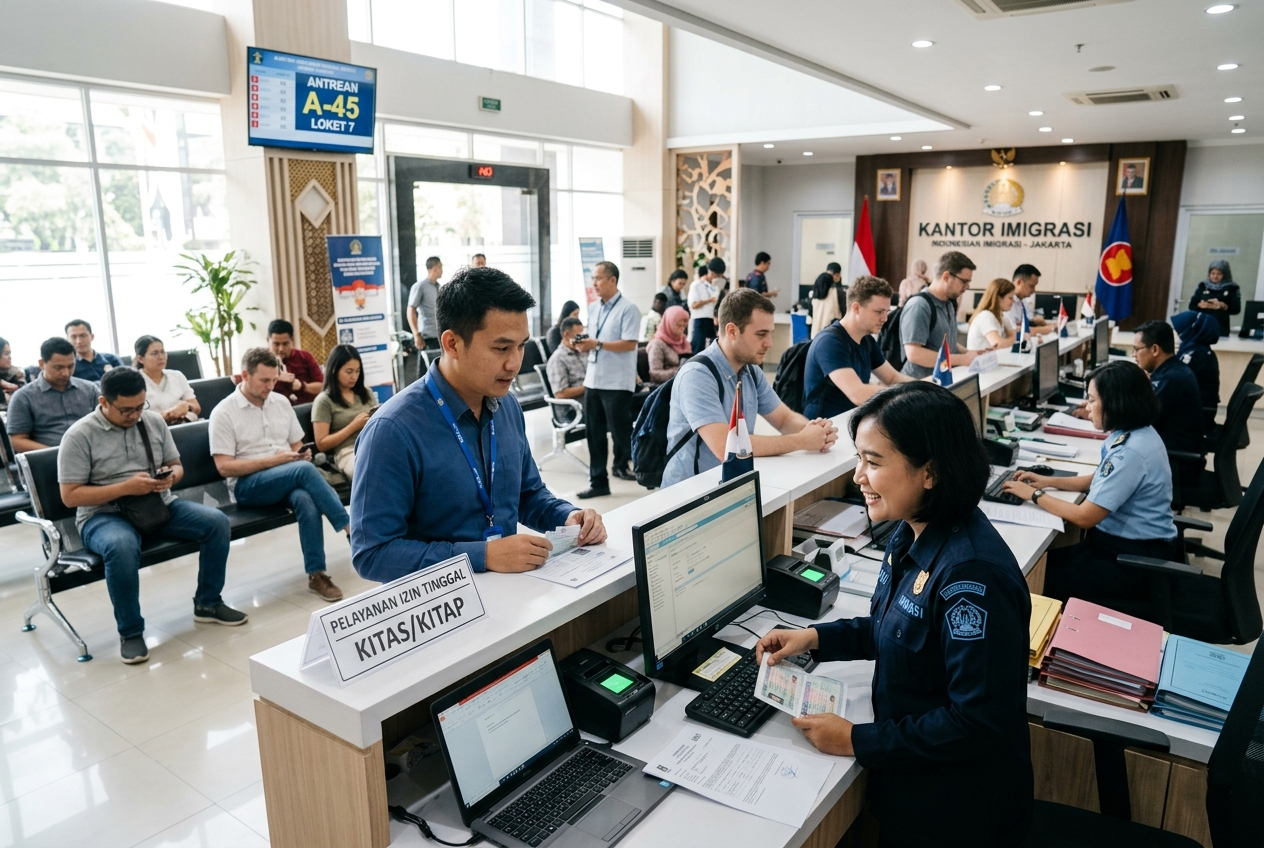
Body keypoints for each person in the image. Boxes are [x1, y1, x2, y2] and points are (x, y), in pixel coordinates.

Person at [758, 382, 1032, 847]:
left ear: (930, 471)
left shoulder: (973, 577)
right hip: (915, 787)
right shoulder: (913, 531)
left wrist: (856, 740)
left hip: (957, 813)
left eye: (874, 462)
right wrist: (817, 639)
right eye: (859, 459)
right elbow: (903, 627)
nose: (858, 477)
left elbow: (976, 723)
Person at [350, 265, 605, 580]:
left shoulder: (507, 406)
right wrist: (480, 556)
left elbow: (527, 494)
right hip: (441, 611)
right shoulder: (393, 431)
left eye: (521, 345)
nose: (514, 363)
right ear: (452, 344)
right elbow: (373, 555)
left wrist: (568, 517)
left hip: (511, 598)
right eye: (501, 348)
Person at [59, 368, 245, 664]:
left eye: (140, 407)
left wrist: (170, 478)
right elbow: (70, 496)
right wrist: (126, 487)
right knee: (120, 547)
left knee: (216, 523)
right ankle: (131, 632)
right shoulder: (79, 435)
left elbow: (176, 464)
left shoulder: (153, 421)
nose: (135, 415)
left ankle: (208, 603)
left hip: (158, 503)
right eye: (126, 410)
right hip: (103, 515)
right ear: (103, 402)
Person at [1003, 361, 1177, 608]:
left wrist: (1034, 494)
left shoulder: (1131, 452)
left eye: (1093, 400)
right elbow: (1100, 478)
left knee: (1033, 577)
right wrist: (1048, 481)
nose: (1087, 406)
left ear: (1115, 403)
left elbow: (1085, 517)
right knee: (1044, 562)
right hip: (1121, 548)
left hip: (1133, 562)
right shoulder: (1136, 432)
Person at [210, 347, 350, 602]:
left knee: (306, 500)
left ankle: (316, 574)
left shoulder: (281, 402)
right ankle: (350, 527)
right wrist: (277, 461)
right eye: (265, 380)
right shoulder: (224, 412)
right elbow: (224, 467)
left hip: (288, 476)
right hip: (247, 487)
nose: (271, 386)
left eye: (274, 379)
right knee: (304, 471)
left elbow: (297, 445)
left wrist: (301, 454)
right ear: (244, 376)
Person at [662, 289, 838, 489]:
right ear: (732, 331)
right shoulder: (697, 375)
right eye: (761, 334)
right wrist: (801, 441)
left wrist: (816, 432)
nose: (769, 343)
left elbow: (784, 418)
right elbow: (726, 447)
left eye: (769, 333)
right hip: (688, 494)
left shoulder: (751, 371)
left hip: (729, 486)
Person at [575, 261, 642, 498]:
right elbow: (595, 339)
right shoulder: (593, 309)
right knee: (594, 435)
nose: (594, 283)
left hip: (616, 383)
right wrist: (585, 344)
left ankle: (649, 469)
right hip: (593, 380)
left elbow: (630, 343)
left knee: (621, 434)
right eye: (593, 279)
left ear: (612, 280)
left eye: (598, 278)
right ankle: (598, 482)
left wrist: (598, 344)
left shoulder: (628, 309)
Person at [803, 276, 911, 419]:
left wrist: (927, 387)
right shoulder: (829, 342)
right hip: (826, 431)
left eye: (886, 311)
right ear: (856, 308)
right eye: (879, 312)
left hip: (851, 422)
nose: (885, 318)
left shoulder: (867, 341)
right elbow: (857, 394)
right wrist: (906, 393)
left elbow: (892, 377)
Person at [1131, 320, 1205, 485]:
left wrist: (1101, 410)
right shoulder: (1171, 371)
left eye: (1137, 349)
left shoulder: (1171, 379)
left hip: (1176, 463)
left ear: (1155, 349)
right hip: (1169, 452)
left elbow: (1139, 417)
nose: (1133, 355)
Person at [7, 337, 98, 452]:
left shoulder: (90, 390)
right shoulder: (23, 397)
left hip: (92, 453)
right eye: (58, 367)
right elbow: (17, 441)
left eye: (71, 366)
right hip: (49, 460)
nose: (65, 373)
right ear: (42, 364)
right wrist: (60, 453)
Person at [899, 251, 982, 377]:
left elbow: (945, 341)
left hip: (940, 382)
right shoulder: (919, 305)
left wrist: (971, 354)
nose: (967, 287)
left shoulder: (948, 303)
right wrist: (961, 359)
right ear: (946, 277)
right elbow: (914, 354)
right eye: (964, 281)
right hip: (919, 385)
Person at [312, 344, 379, 482]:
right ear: (334, 370)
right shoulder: (324, 400)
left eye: (357, 371)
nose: (354, 376)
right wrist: (353, 426)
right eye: (349, 372)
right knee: (368, 474)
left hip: (373, 444)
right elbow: (322, 443)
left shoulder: (365, 393)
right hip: (347, 452)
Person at [1170, 310, 1221, 433]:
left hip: (1196, 417)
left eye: (1178, 331)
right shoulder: (1196, 350)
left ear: (1189, 331)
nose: (1176, 335)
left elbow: (1175, 383)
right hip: (1197, 410)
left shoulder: (1197, 355)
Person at [134, 335, 200, 424]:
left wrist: (187, 406)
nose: (161, 357)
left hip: (185, 424)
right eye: (154, 353)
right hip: (154, 428)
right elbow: (136, 416)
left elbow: (197, 407)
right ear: (140, 359)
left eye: (163, 352)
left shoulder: (177, 376)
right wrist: (167, 415)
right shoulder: (134, 381)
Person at [266, 319, 324, 405]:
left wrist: (302, 386)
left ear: (292, 341)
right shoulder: (261, 361)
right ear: (268, 340)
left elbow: (323, 387)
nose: (281, 349)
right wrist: (275, 378)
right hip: (275, 411)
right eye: (276, 344)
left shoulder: (305, 356)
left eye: (285, 344)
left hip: (306, 410)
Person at [1188, 259, 1240, 337]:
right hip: (1202, 324)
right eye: (1213, 273)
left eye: (1219, 274)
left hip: (1220, 326)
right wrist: (1200, 305)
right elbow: (1191, 306)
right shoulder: (1203, 285)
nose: (1215, 276)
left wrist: (1223, 306)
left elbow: (1236, 309)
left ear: (1225, 274)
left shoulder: (1232, 288)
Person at [966, 278, 1018, 351]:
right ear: (999, 298)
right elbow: (997, 344)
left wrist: (1012, 336)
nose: (1013, 301)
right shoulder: (986, 316)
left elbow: (1012, 332)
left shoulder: (1000, 316)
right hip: (980, 361)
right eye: (1010, 298)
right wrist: (1013, 339)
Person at [408, 256, 444, 356]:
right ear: (434, 268)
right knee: (426, 368)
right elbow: (411, 310)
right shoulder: (420, 286)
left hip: (438, 335)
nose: (442, 270)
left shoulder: (438, 286)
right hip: (427, 336)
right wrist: (416, 334)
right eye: (440, 267)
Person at [646, 305, 691, 385]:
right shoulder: (657, 344)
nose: (682, 329)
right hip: (665, 388)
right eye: (678, 325)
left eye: (684, 326)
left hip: (683, 383)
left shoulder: (683, 341)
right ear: (669, 323)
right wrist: (680, 372)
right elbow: (654, 374)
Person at [546, 317, 587, 401]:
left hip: (590, 400)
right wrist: (589, 387)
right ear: (567, 334)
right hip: (574, 406)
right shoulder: (558, 359)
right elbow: (560, 393)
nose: (582, 339)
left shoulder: (582, 352)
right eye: (579, 336)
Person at [688, 260, 722, 353]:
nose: (716, 278)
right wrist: (710, 300)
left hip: (711, 320)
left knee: (713, 350)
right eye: (715, 275)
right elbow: (693, 305)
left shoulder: (715, 287)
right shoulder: (696, 285)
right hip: (699, 320)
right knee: (698, 349)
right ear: (710, 272)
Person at [1009, 264, 1047, 329]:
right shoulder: (1007, 303)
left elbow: (1024, 323)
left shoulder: (1022, 302)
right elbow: (1015, 331)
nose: (1034, 290)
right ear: (1019, 282)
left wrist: (1034, 322)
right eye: (1031, 286)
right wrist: (1047, 329)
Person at [809, 272, 842, 337]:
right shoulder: (837, 293)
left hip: (815, 334)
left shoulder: (813, 297)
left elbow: (810, 315)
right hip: (833, 333)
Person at [0, 336, 27, 411]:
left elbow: (25, 397)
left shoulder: (17, 373)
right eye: (6, 354)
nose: (10, 357)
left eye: (9, 353)